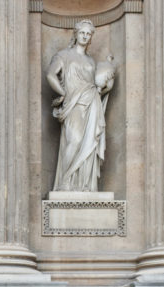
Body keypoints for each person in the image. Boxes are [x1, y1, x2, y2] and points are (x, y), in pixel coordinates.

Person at [46, 19, 115, 193]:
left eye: (88, 34)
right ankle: (65, 181)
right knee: (75, 140)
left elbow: (96, 85)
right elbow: (50, 75)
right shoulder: (64, 55)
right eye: (82, 33)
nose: (85, 36)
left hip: (92, 102)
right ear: (76, 34)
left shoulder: (92, 62)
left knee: (89, 144)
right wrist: (63, 93)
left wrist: (107, 84)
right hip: (74, 103)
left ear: (91, 37)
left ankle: (84, 184)